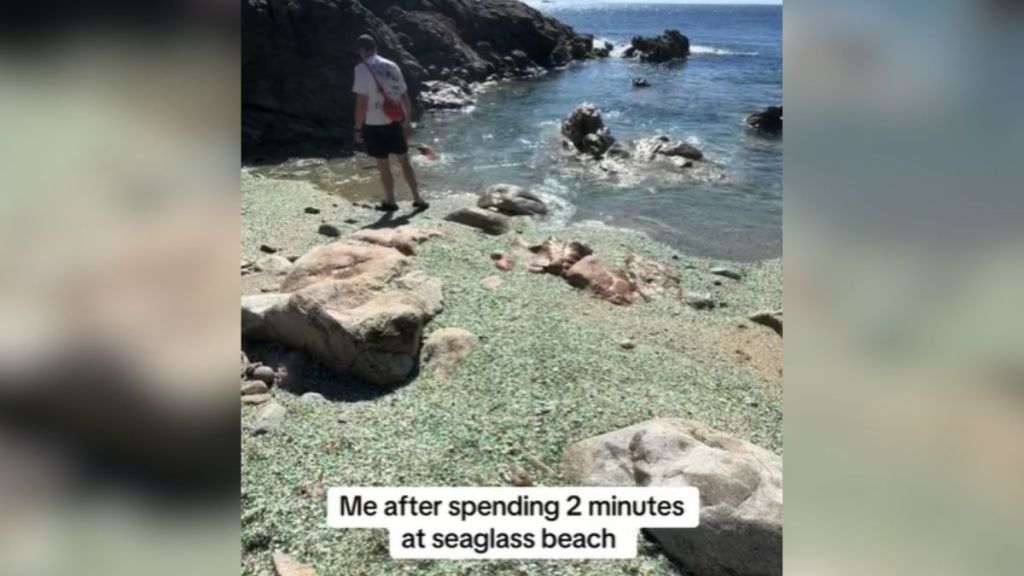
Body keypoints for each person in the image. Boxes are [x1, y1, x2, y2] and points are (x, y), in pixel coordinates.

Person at [352, 34, 428, 211]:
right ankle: (418, 198)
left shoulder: (362, 69)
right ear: (375, 47)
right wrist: (407, 123)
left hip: (374, 124)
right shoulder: (392, 65)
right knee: (404, 161)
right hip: (395, 121)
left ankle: (391, 201)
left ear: (362, 50)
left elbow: (361, 103)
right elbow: (405, 98)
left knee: (383, 164)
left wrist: (357, 128)